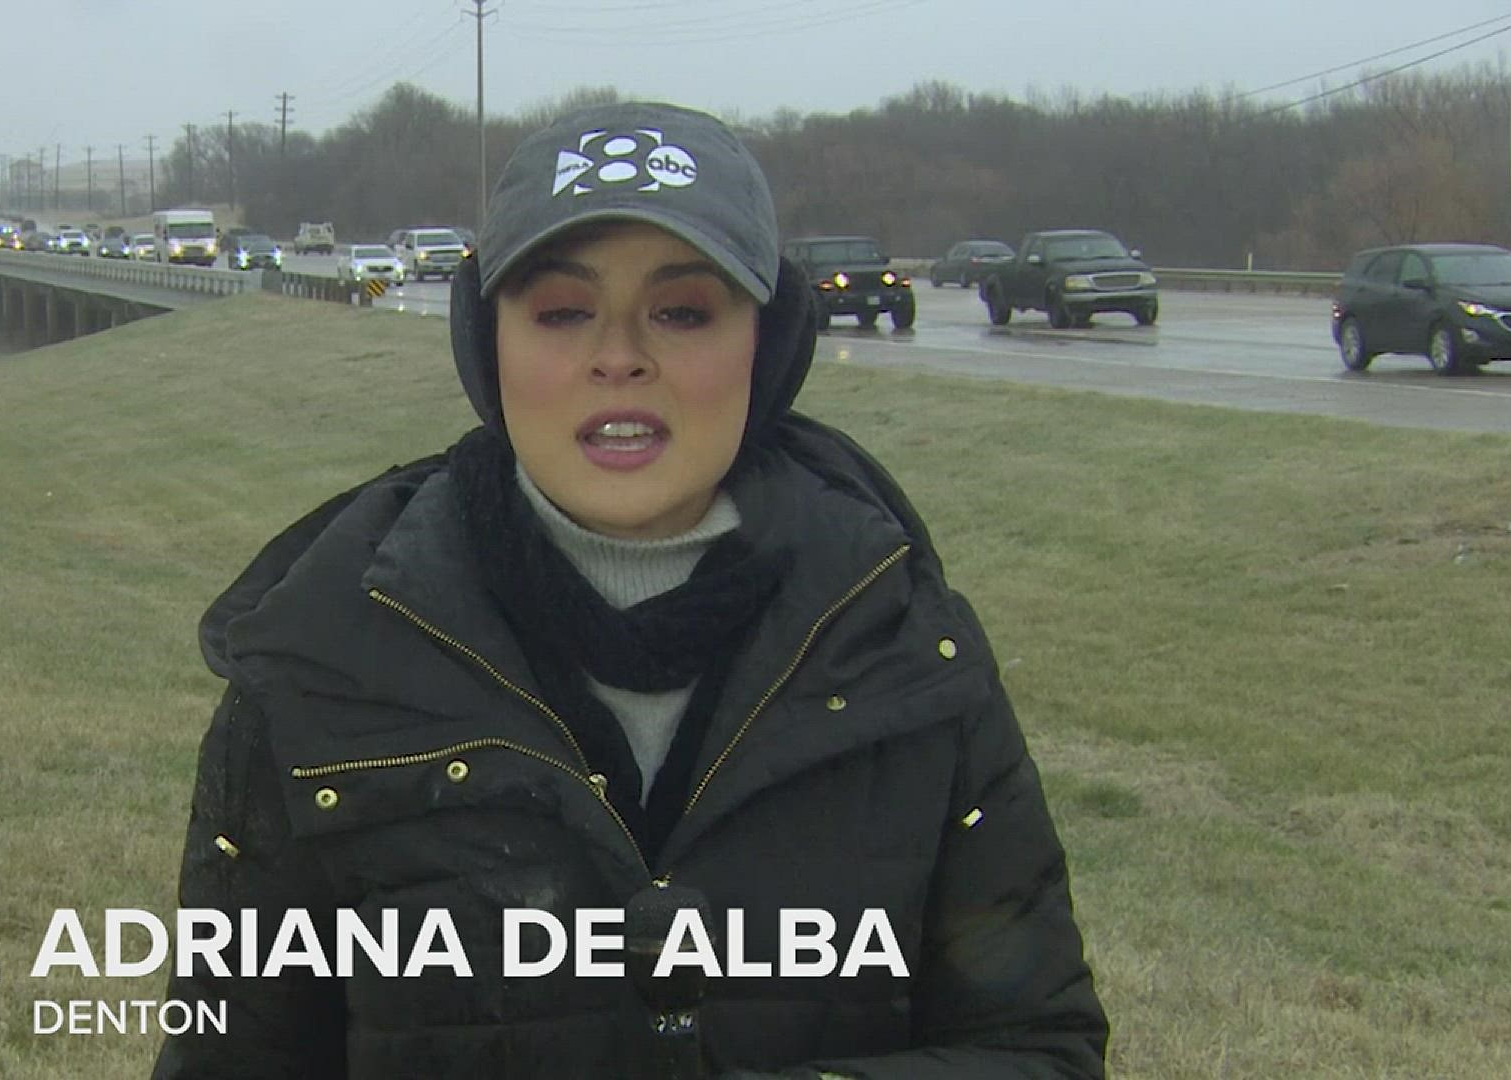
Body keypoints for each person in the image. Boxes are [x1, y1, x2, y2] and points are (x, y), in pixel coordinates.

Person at [153, 101, 1108, 1079]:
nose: (620, 356)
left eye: (683, 311)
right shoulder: (321, 658)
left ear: (766, 342)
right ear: (488, 342)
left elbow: (1039, 1047)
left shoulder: (906, 645)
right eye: (563, 311)